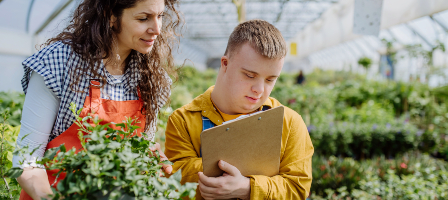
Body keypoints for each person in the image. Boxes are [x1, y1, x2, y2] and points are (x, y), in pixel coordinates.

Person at [12, 0, 181, 199]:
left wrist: (147, 158)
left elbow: (140, 151)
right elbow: (26, 160)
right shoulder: (59, 62)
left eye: (160, 16)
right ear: (111, 17)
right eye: (143, 18)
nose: (157, 29)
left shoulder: (151, 77)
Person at [164, 20, 314, 200]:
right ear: (225, 64)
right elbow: (175, 181)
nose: (259, 89)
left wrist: (248, 187)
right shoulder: (183, 121)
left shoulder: (289, 123)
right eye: (250, 75)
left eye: (270, 80)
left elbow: (298, 189)